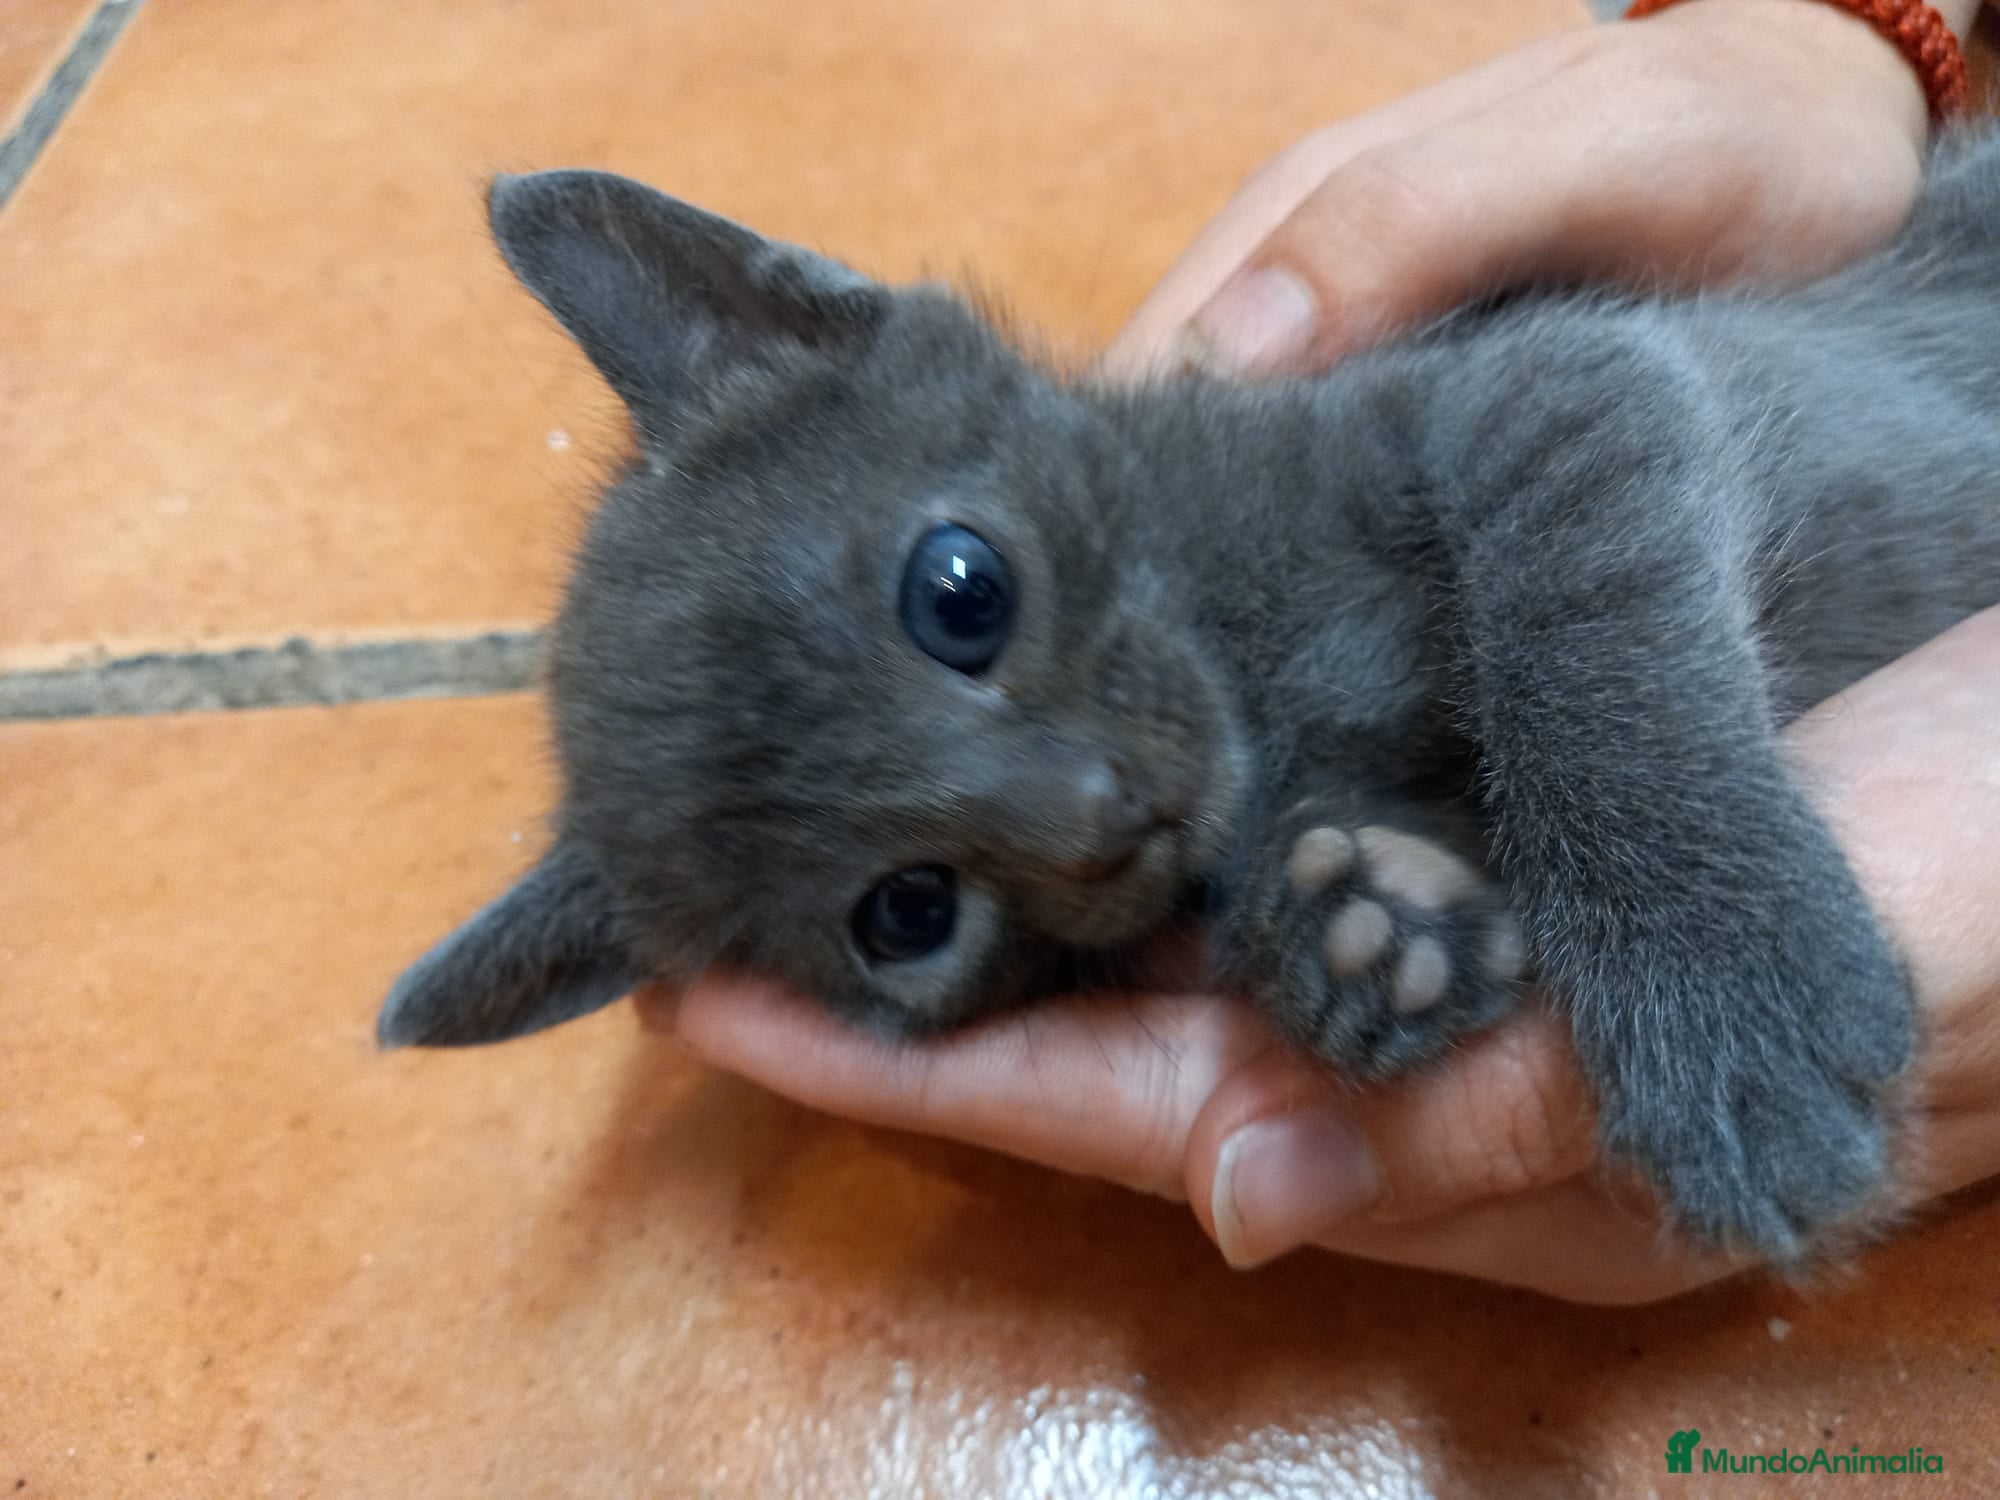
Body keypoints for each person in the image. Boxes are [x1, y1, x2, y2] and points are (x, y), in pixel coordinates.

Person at [635, 0, 2000, 1305]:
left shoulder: (1221, 463)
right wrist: (1365, 940)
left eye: (963, 599)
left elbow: (1579, 413)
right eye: (910, 911)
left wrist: (1659, 859)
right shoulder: (1184, 868)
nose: (1077, 815)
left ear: (828, 343)